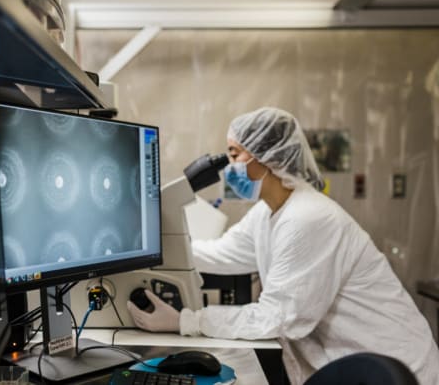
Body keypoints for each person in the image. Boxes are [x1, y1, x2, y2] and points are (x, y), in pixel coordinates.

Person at [127, 107, 439, 385]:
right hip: (352, 361)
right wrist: (149, 249)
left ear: (266, 158)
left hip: (390, 365)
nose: (229, 167)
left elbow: (275, 317)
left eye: (234, 155)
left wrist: (186, 321)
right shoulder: (268, 213)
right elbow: (222, 253)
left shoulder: (308, 218)